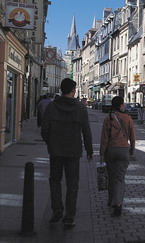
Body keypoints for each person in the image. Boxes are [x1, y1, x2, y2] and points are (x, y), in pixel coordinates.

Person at [41, 78, 93, 229]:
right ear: (73, 90)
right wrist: (89, 151)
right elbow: (87, 132)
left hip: (56, 151)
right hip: (73, 151)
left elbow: (45, 129)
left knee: (55, 180)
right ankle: (69, 217)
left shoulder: (52, 106)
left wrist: (50, 143)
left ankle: (57, 209)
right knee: (72, 184)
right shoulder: (81, 108)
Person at [100, 96, 136, 217]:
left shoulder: (108, 118)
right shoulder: (128, 118)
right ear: (120, 105)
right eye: (123, 104)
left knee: (111, 177)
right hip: (123, 150)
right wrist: (132, 150)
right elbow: (132, 137)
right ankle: (118, 203)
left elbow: (104, 138)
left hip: (110, 150)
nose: (124, 106)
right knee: (120, 178)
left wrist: (101, 154)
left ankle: (111, 200)